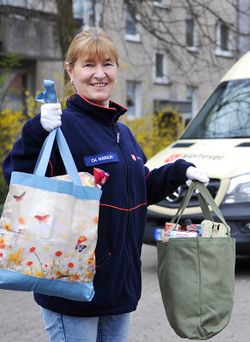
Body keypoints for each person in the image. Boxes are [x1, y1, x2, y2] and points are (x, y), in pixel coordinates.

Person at [2, 27, 209, 342]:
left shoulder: (122, 134)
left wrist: (180, 171)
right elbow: (18, 175)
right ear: (70, 72)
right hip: (72, 288)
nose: (100, 74)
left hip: (118, 288)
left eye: (107, 64)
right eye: (89, 65)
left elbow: (142, 187)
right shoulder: (61, 127)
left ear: (116, 70)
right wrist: (35, 132)